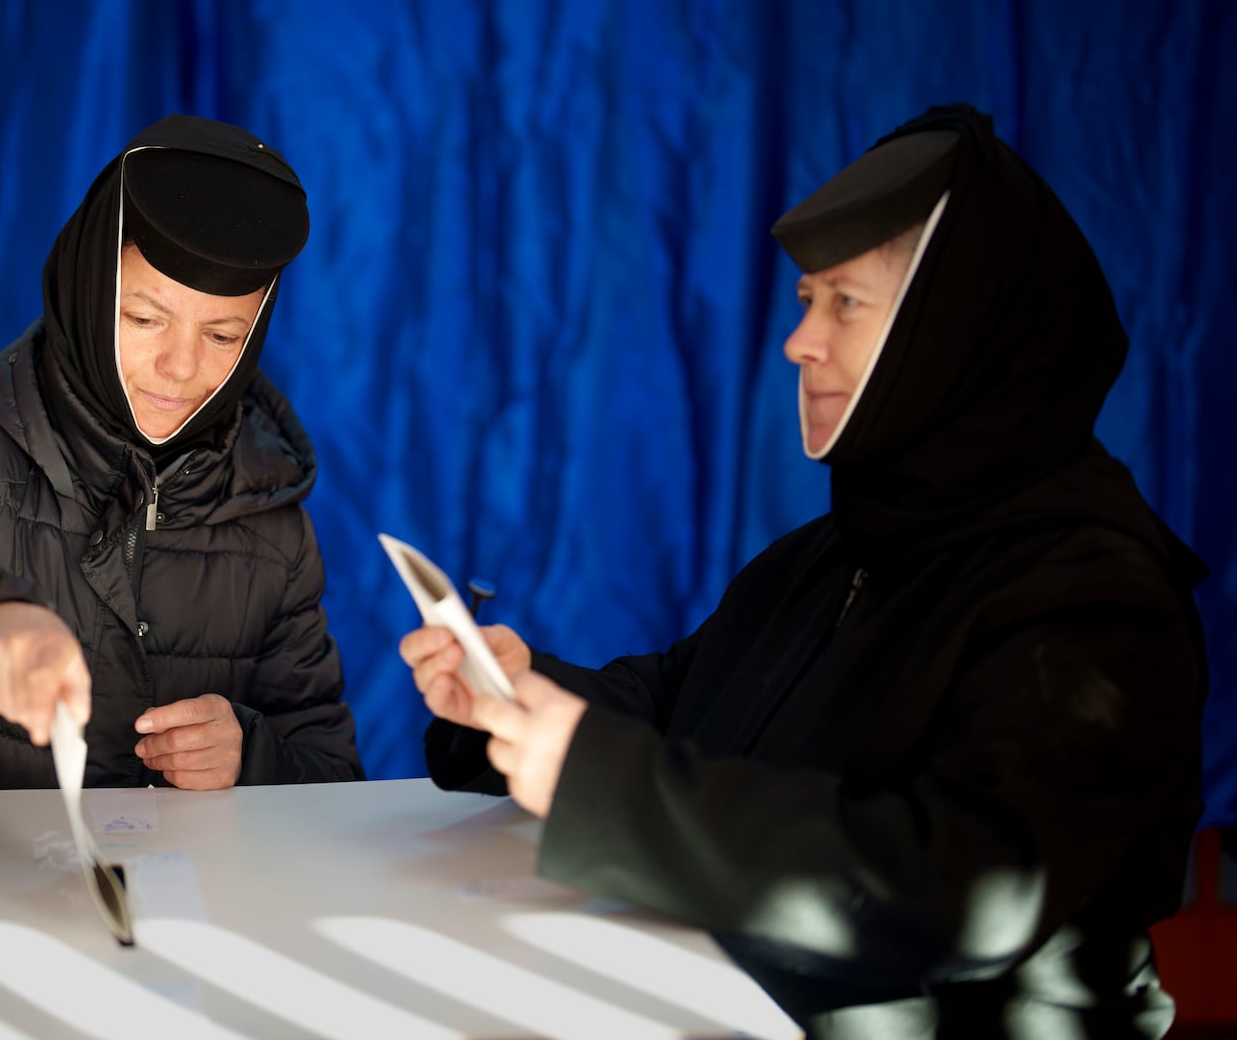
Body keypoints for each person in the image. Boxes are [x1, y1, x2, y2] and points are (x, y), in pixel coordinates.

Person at [400, 104, 1208, 1038]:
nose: (798, 342)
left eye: (846, 303)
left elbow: (957, 890)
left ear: (952, 332)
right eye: (803, 301)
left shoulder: (1093, 604)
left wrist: (598, 783)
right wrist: (518, 695)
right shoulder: (840, 550)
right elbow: (680, 701)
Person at [0, 114, 362, 792]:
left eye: (222, 335)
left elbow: (332, 775)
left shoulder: (274, 521)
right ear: (91, 292)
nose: (180, 367)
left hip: (166, 894)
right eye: (145, 319)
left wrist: (251, 752)